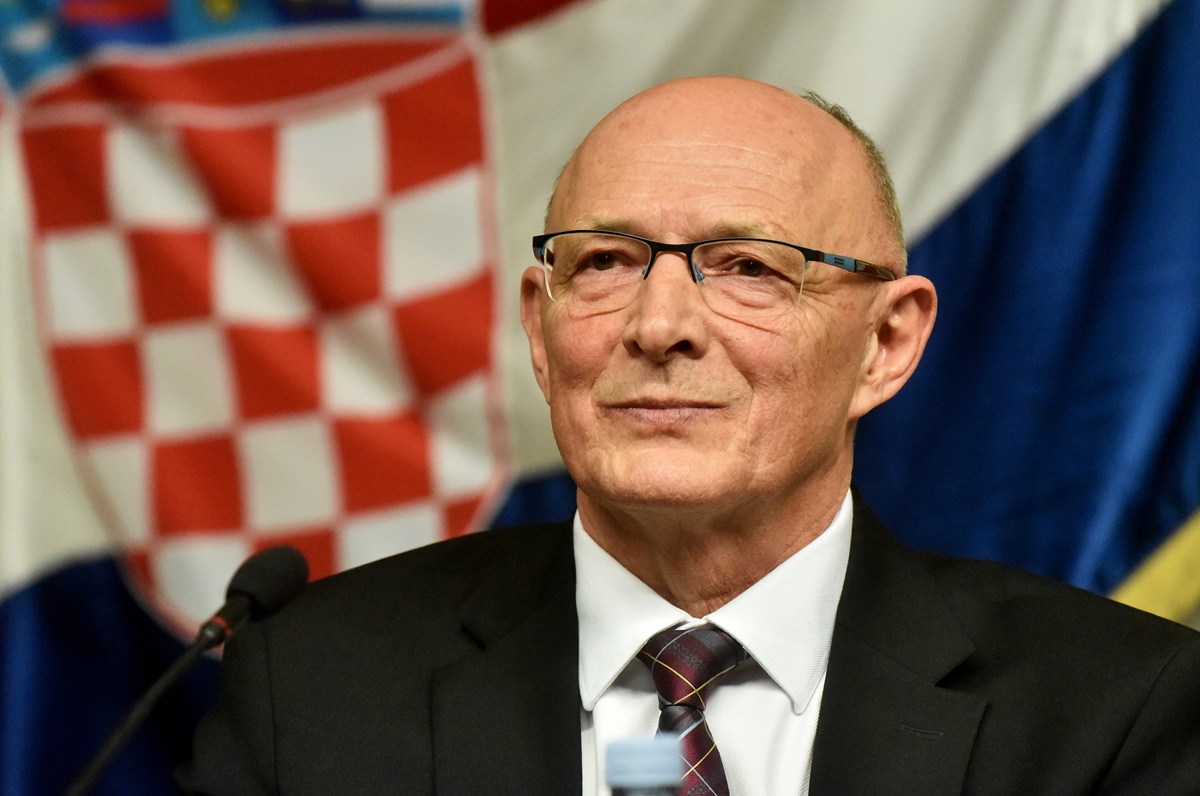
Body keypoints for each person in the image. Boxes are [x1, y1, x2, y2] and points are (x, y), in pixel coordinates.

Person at [178, 77, 1200, 795]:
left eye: (749, 266)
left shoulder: (1112, 710)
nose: (658, 324)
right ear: (539, 329)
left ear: (885, 344)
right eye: (605, 262)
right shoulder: (309, 689)